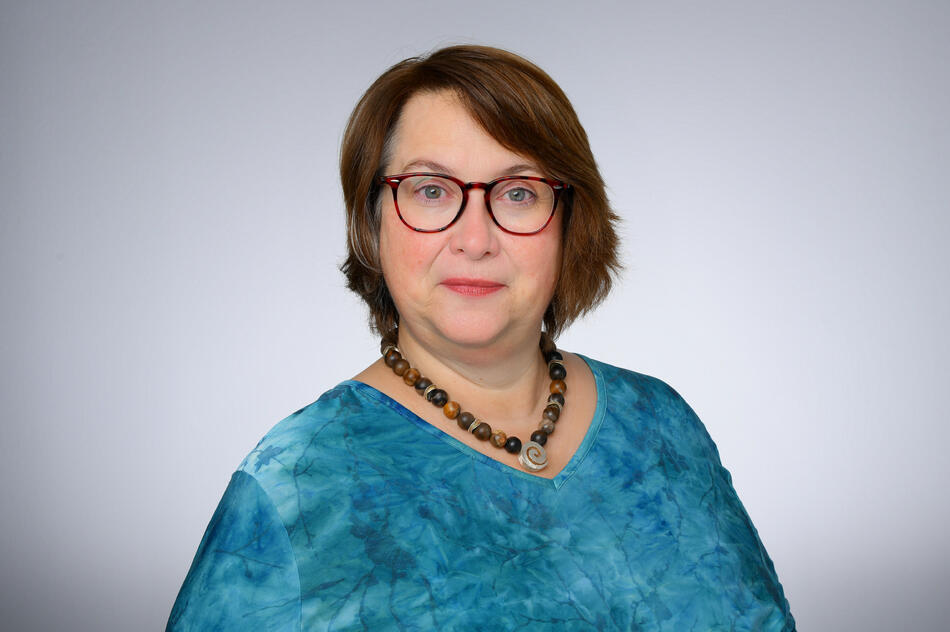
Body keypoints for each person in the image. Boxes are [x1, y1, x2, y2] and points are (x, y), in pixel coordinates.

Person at [167, 45, 795, 631]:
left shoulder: (660, 423)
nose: (475, 239)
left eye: (518, 193)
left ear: (568, 221)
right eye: (431, 190)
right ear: (372, 222)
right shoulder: (295, 482)